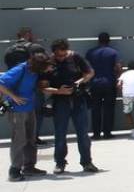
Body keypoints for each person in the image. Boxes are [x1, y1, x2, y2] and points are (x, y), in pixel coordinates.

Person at [44, 38, 98, 174]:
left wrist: (78, 82)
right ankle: (60, 163)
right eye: (58, 55)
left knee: (83, 133)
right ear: (53, 53)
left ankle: (87, 162)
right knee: (60, 134)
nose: (61, 58)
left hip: (78, 99)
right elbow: (42, 86)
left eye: (63, 55)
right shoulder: (48, 62)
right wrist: (58, 91)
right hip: (60, 102)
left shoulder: (75, 57)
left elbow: (90, 73)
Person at [0, 44, 52, 181]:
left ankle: (29, 167)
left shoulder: (35, 70)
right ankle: (14, 170)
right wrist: (14, 97)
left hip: (29, 108)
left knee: (31, 139)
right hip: (17, 110)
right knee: (19, 139)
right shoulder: (20, 69)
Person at [85, 32, 121, 140]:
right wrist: (117, 78)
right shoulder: (114, 52)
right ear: (109, 40)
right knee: (109, 109)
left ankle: (96, 133)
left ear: (98, 40)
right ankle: (107, 133)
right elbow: (118, 67)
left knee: (95, 109)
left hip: (94, 83)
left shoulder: (90, 52)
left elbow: (85, 67)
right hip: (109, 83)